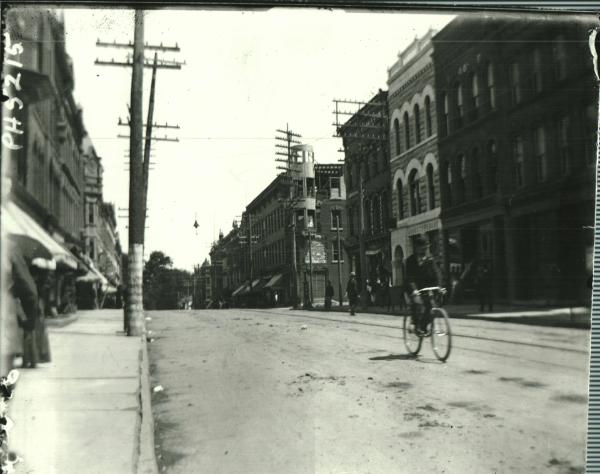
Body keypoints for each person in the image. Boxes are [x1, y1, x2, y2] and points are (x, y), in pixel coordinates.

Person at [9, 245, 40, 368]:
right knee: (29, 330)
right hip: (31, 299)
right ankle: (31, 360)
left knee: (27, 330)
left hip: (28, 301)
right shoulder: (24, 273)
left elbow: (16, 287)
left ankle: (29, 360)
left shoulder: (19, 272)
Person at [405, 235, 442, 335]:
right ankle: (415, 324)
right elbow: (409, 278)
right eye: (422, 248)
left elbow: (436, 273)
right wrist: (414, 290)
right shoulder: (410, 261)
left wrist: (439, 286)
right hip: (414, 288)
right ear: (416, 248)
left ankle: (423, 326)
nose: (424, 250)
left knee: (432, 306)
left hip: (427, 287)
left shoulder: (430, 260)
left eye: (426, 248)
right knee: (417, 303)